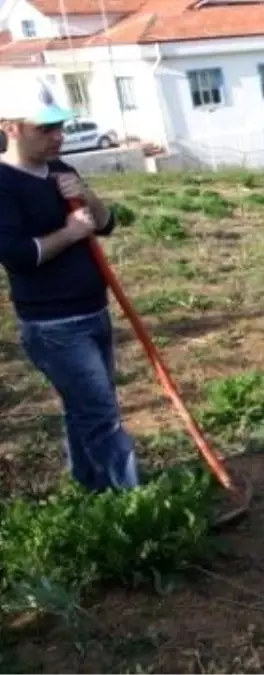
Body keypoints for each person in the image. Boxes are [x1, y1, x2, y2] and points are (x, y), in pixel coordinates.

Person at [0, 75, 138, 493]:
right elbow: (18, 254)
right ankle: (136, 505)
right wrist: (71, 234)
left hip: (94, 312)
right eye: (45, 128)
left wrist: (86, 195)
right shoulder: (4, 183)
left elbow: (107, 224)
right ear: (11, 127)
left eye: (59, 126)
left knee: (84, 411)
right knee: (101, 413)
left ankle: (91, 487)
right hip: (54, 325)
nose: (58, 136)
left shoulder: (62, 168)